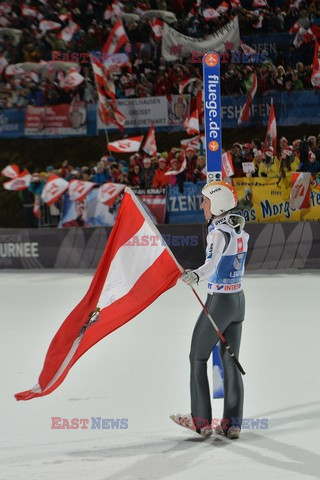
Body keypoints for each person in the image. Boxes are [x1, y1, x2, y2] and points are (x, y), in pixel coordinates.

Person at [170, 181, 249, 440]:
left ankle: (200, 421)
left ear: (218, 204)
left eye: (206, 201)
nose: (202, 205)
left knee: (197, 356)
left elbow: (211, 265)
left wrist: (194, 275)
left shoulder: (218, 232)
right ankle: (231, 424)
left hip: (220, 301)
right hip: (238, 300)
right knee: (231, 362)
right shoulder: (239, 228)